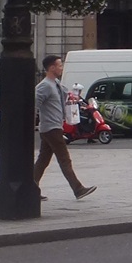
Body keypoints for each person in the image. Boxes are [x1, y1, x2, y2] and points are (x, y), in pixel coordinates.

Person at [33, 54, 97, 201]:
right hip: (51, 128)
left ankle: (31, 188)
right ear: (51, 68)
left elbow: (66, 96)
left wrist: (74, 98)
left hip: (54, 126)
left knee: (43, 160)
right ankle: (78, 189)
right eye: (59, 65)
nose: (62, 68)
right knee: (64, 159)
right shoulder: (44, 86)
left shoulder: (55, 83)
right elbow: (35, 104)